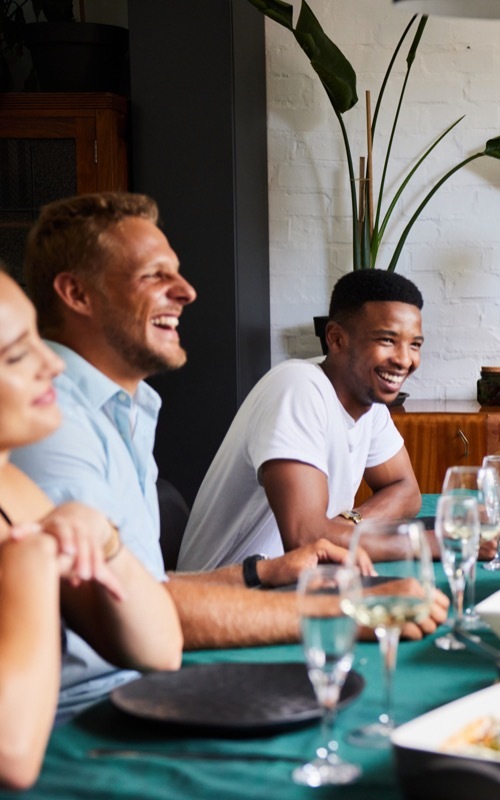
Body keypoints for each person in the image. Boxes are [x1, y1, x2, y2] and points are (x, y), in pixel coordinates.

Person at [14, 193, 445, 716]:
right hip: (87, 716)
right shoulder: (50, 419)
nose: (187, 291)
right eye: (155, 276)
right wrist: (345, 609)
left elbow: (141, 587)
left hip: (140, 681)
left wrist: (263, 574)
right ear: (76, 293)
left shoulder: (125, 408)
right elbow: (131, 611)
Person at [0, 265, 181, 788]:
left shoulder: (14, 489)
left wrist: (107, 542)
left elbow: (158, 649)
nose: (51, 364)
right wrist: (31, 566)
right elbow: (11, 755)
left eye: (39, 338)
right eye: (17, 355)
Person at [178, 269, 424, 570]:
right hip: (228, 596)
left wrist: (346, 525)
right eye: (387, 340)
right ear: (335, 339)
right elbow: (306, 539)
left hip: (296, 583)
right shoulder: (297, 387)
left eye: (414, 344)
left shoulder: (368, 400)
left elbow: (406, 490)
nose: (404, 359)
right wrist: (432, 544)